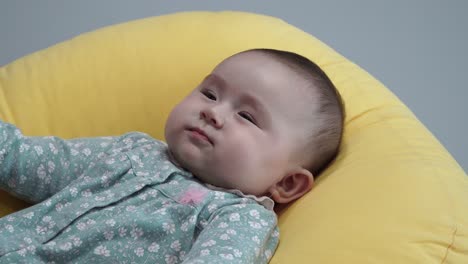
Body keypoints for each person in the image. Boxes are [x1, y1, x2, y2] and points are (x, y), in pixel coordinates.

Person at [0, 48, 345, 263]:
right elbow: (22, 161)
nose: (214, 112)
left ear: (286, 182)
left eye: (247, 116)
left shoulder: (236, 219)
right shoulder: (129, 151)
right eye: (209, 93)